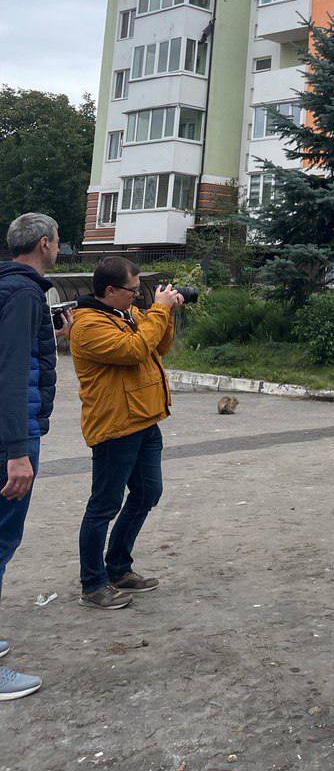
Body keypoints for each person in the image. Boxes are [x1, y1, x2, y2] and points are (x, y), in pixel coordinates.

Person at [70, 257, 182, 609]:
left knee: (148, 492)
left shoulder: (124, 314)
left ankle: (118, 567)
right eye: (132, 290)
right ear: (110, 290)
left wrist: (166, 313)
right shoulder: (88, 325)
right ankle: (93, 585)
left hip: (144, 420)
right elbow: (133, 351)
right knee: (104, 506)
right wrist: (159, 310)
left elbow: (158, 346)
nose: (137, 295)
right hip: (115, 427)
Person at [0, 213, 67, 700]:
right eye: (58, 241)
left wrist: (49, 335)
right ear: (44, 244)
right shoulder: (24, 293)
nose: (59, 248)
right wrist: (17, 452)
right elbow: (11, 371)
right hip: (10, 440)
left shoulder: (9, 289)